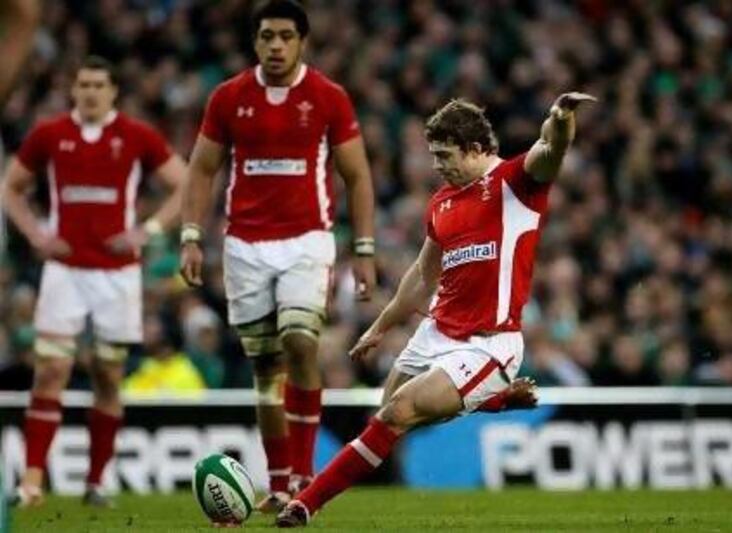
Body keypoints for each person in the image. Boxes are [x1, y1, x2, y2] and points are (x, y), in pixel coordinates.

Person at [276, 91, 596, 527]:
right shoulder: (442, 202)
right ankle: (494, 399)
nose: (436, 165)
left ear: (477, 149)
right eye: (433, 155)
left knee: (399, 411)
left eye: (445, 155)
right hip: (437, 332)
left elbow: (551, 146)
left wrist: (560, 117)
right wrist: (381, 326)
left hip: (488, 344)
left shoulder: (516, 182)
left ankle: (302, 505)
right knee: (385, 420)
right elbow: (423, 275)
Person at [179, 0, 376, 513]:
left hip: (307, 240)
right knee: (266, 370)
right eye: (267, 36)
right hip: (245, 246)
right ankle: (280, 481)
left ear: (302, 41)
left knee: (299, 339)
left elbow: (357, 175)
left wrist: (365, 248)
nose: (275, 45)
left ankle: (306, 476)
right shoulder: (229, 98)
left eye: (286, 36)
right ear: (255, 41)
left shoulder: (328, 98)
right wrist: (191, 235)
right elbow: (201, 170)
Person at [1, 55, 187, 507]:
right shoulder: (50, 134)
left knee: (107, 375)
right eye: (82, 83)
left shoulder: (136, 136)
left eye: (98, 84)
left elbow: (185, 184)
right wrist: (35, 234)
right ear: (73, 89)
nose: (89, 91)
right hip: (65, 272)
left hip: (116, 276)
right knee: (51, 371)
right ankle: (31, 482)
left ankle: (96, 481)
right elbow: (11, 187)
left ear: (113, 92)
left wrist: (150, 231)